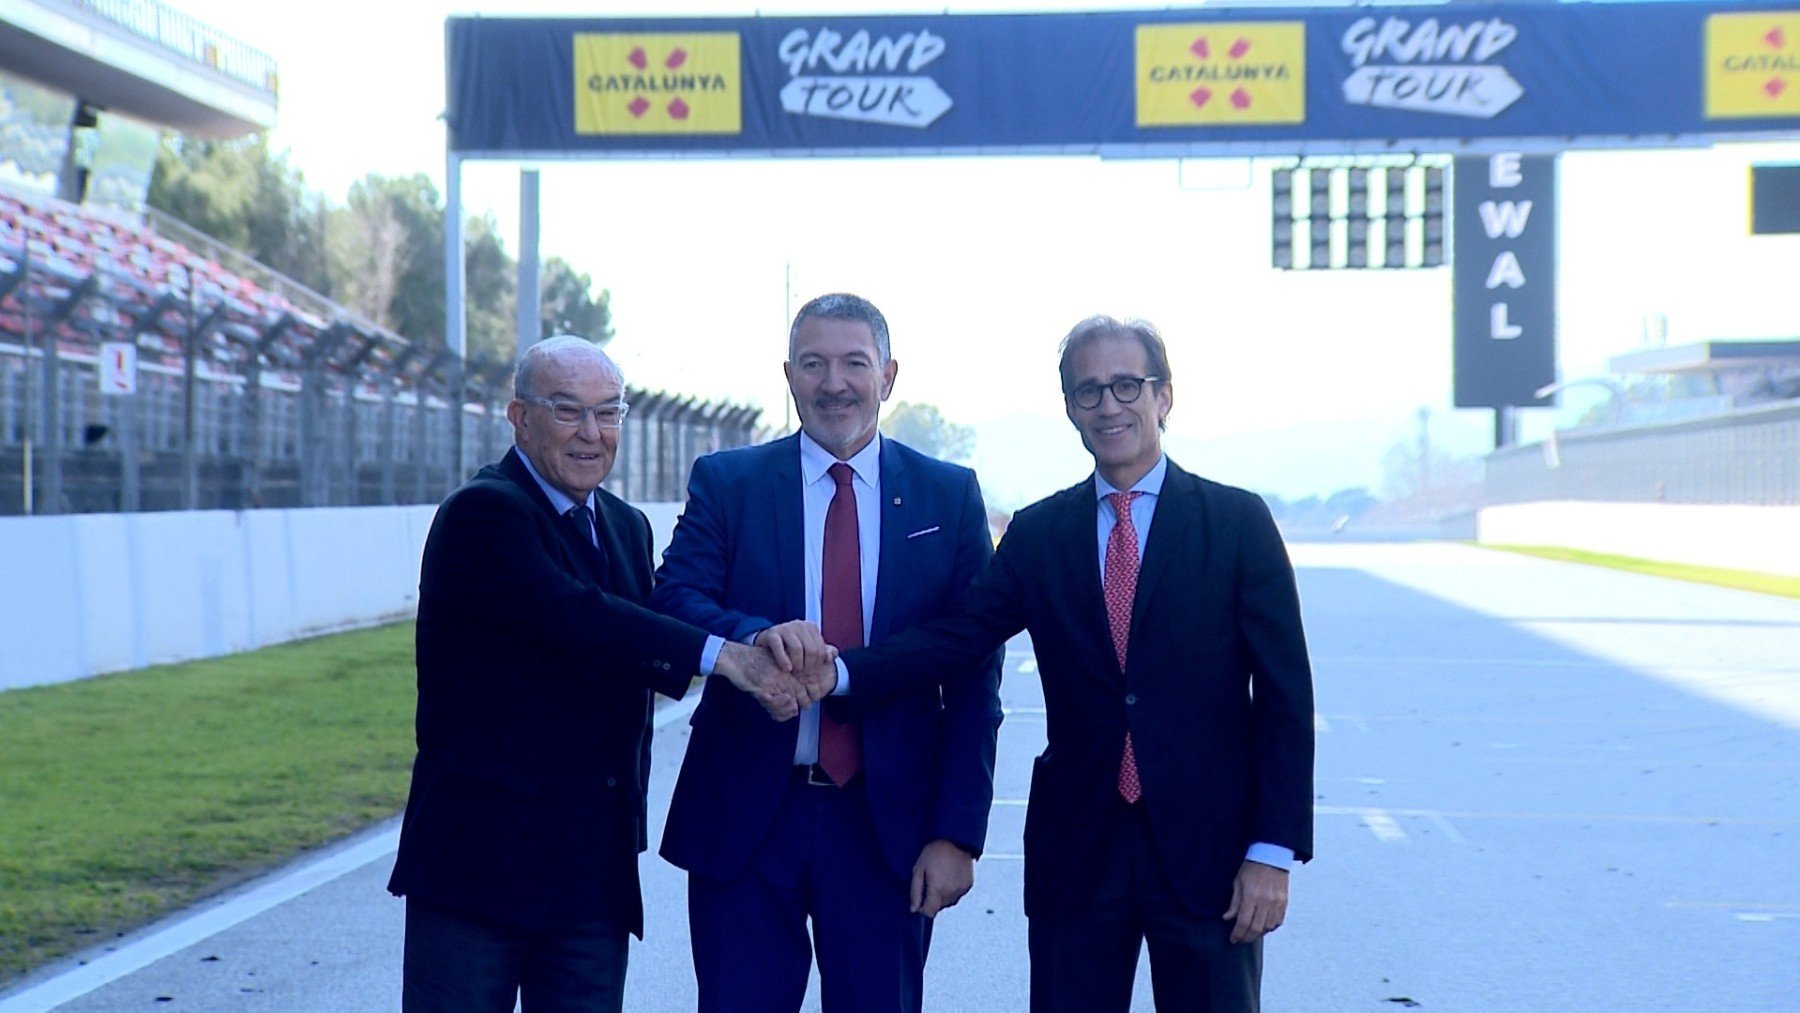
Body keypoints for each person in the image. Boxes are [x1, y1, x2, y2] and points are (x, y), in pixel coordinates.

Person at [836, 315, 1315, 1012]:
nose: (1109, 405)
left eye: (1128, 385)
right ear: (1069, 409)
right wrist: (842, 672)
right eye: (1089, 391)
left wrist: (1272, 851)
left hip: (1211, 855)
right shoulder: (1040, 533)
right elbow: (956, 638)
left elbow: (1284, 699)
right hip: (1078, 852)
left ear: (1165, 396)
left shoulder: (1237, 524)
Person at [386, 335, 817, 1012]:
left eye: (608, 412)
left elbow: (648, 628)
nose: (592, 433)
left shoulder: (623, 525)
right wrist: (730, 657)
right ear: (520, 418)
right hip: (479, 872)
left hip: (590, 875)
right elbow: (580, 616)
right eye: (568, 411)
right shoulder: (483, 513)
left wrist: (758, 639)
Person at [652, 293, 1004, 1012]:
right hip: (748, 818)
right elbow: (672, 597)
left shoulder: (948, 495)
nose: (833, 382)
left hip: (887, 826)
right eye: (814, 364)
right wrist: (753, 635)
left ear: (890, 374)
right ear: (788, 375)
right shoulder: (729, 481)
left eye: (854, 363)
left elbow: (973, 677)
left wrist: (957, 832)